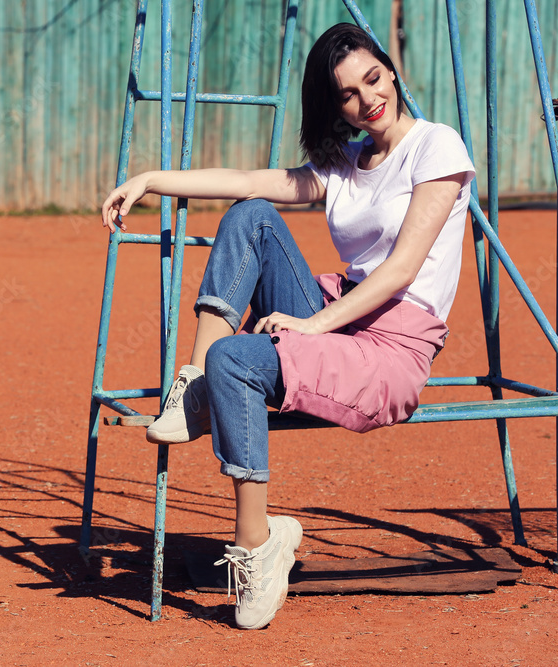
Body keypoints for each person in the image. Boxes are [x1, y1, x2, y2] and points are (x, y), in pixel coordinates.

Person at [99, 23, 475, 630]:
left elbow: (402, 267)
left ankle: (258, 547)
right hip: (340, 317)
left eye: (372, 79)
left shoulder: (437, 147)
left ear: (391, 69)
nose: (367, 100)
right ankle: (193, 384)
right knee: (252, 217)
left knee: (238, 360)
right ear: (336, 106)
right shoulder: (349, 162)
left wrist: (311, 324)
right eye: (348, 94)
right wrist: (150, 179)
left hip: (391, 348)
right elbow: (250, 184)